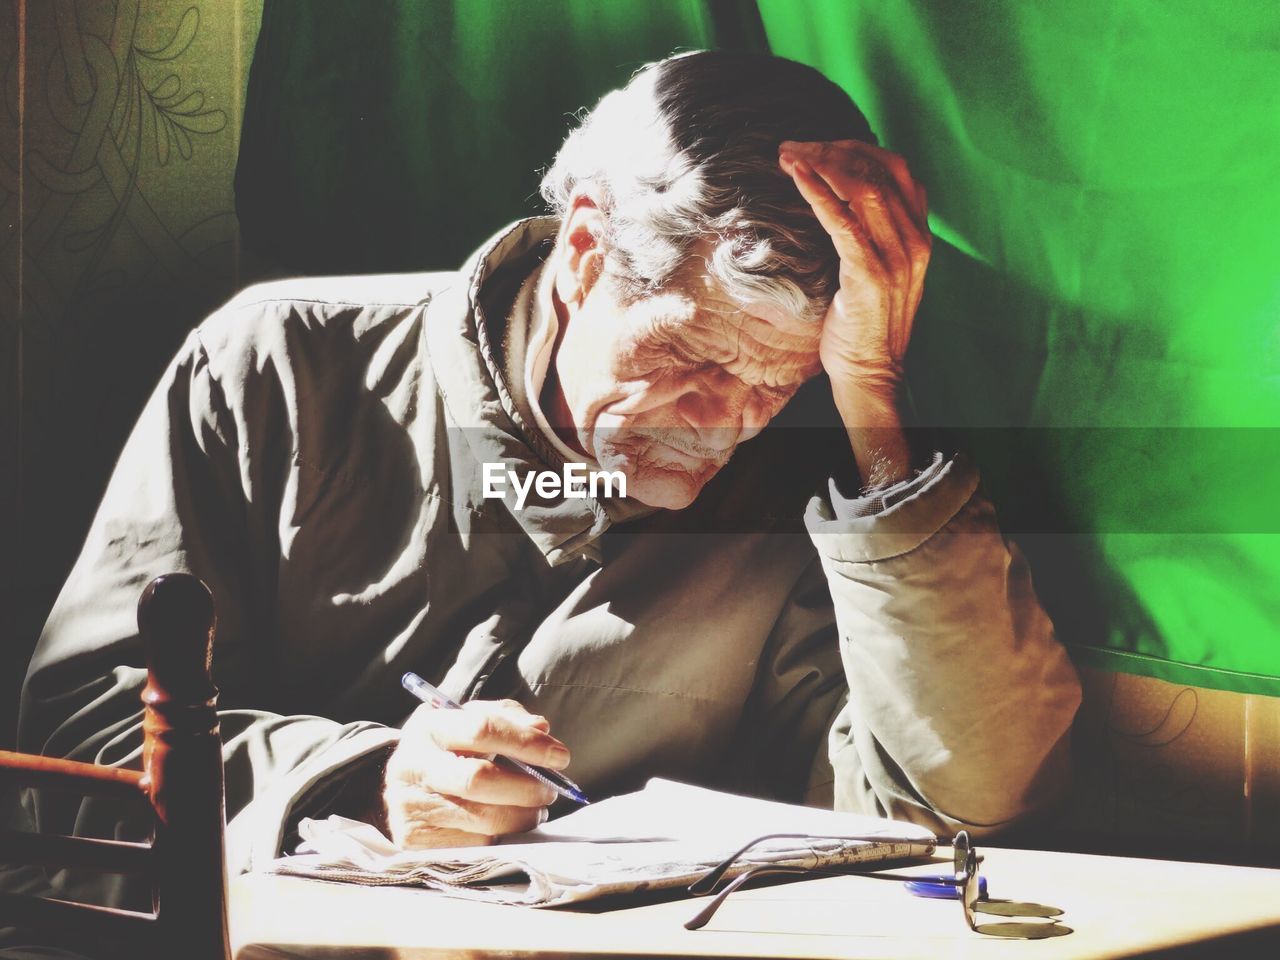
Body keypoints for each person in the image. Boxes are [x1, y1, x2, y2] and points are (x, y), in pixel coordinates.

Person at [17, 50, 1080, 891]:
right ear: (583, 254)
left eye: (775, 386)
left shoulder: (799, 481)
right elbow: (81, 733)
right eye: (689, 359)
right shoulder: (280, 365)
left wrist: (869, 408)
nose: (722, 425)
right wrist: (362, 782)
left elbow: (957, 802)